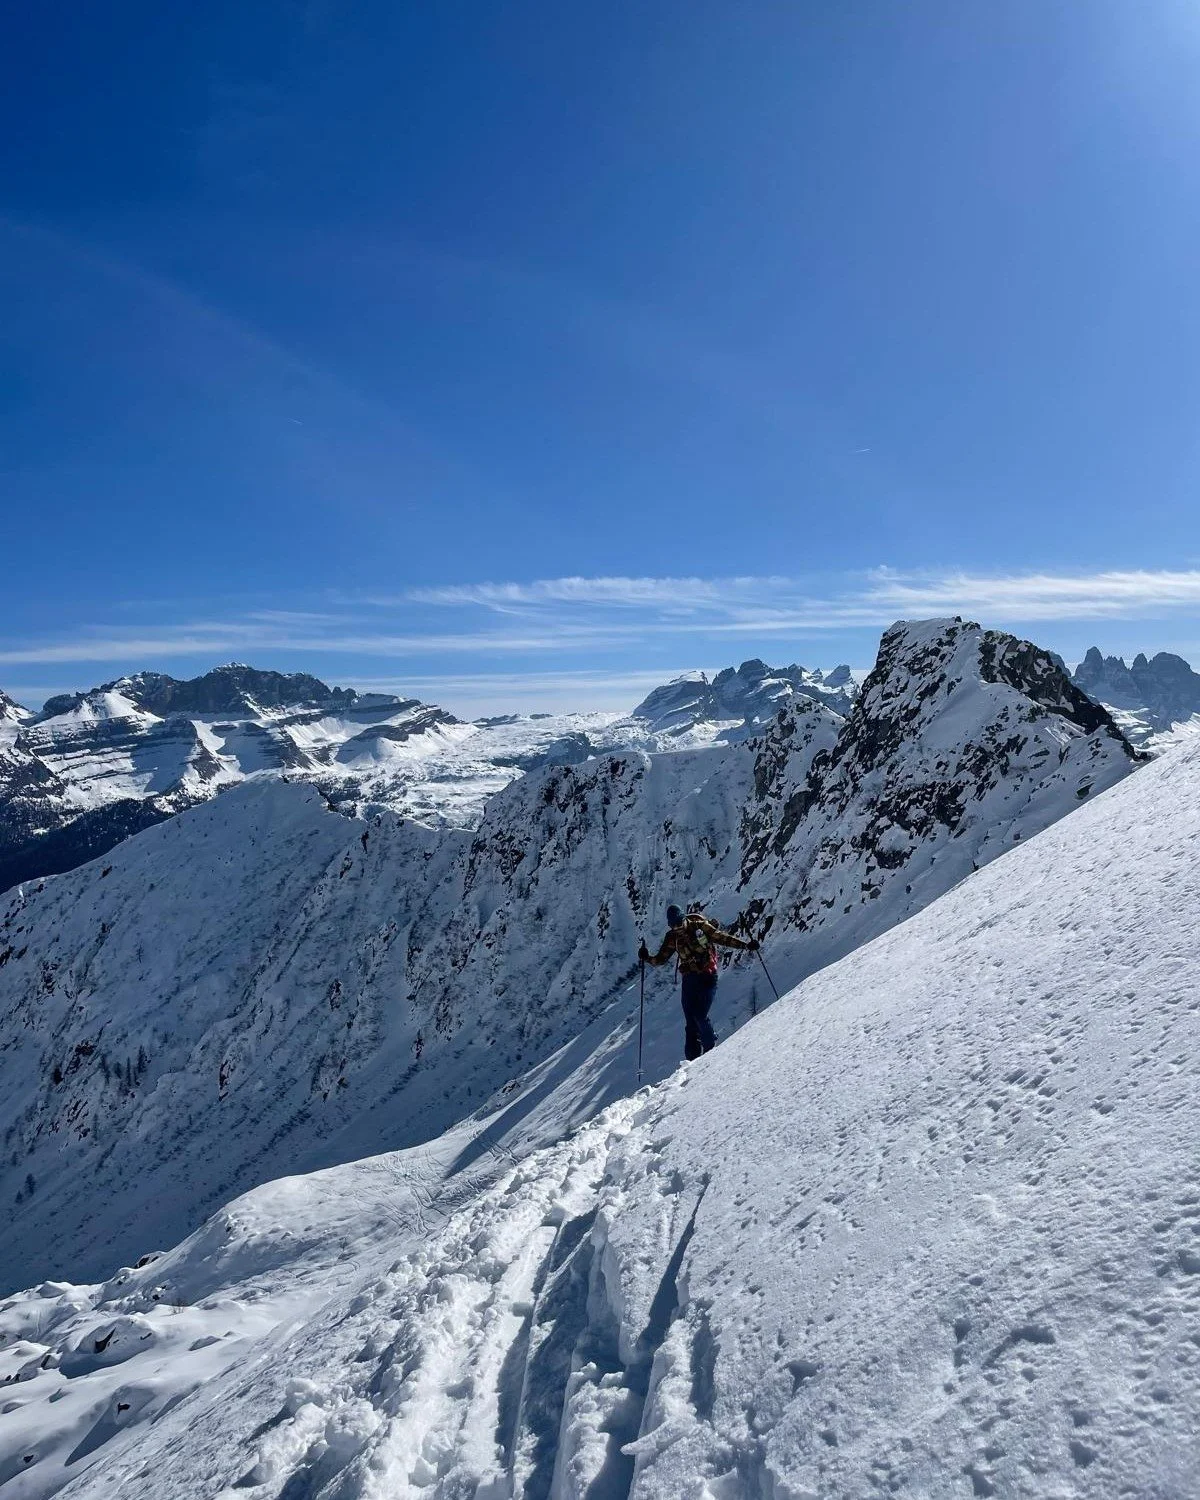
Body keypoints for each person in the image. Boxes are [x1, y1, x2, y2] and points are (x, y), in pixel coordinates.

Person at [639, 904, 758, 1061]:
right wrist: (646, 957)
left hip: (707, 977)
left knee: (699, 1015)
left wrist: (745, 945)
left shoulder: (699, 926)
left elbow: (719, 937)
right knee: (690, 1023)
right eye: (673, 925)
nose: (677, 928)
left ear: (684, 919)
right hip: (689, 980)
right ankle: (692, 1062)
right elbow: (661, 959)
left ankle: (710, 1052)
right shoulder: (672, 937)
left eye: (679, 923)